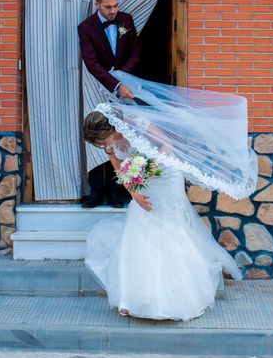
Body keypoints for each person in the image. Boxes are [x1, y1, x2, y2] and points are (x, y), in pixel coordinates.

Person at [82, 71, 258, 321]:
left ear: (111, 127)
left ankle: (178, 297)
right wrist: (134, 193)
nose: (105, 145)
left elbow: (166, 146)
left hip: (165, 173)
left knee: (169, 226)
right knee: (141, 223)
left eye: (104, 140)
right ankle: (134, 297)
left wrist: (141, 168)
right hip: (142, 179)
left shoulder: (136, 122)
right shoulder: (111, 142)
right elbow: (118, 165)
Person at [78, 0, 141, 208]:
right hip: (97, 86)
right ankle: (96, 191)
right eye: (108, 7)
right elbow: (91, 62)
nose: (113, 11)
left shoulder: (127, 20)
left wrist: (123, 77)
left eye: (115, 5)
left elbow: (135, 50)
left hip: (124, 88)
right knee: (98, 139)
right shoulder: (85, 27)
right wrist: (113, 82)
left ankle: (118, 191)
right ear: (97, 4)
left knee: (121, 138)